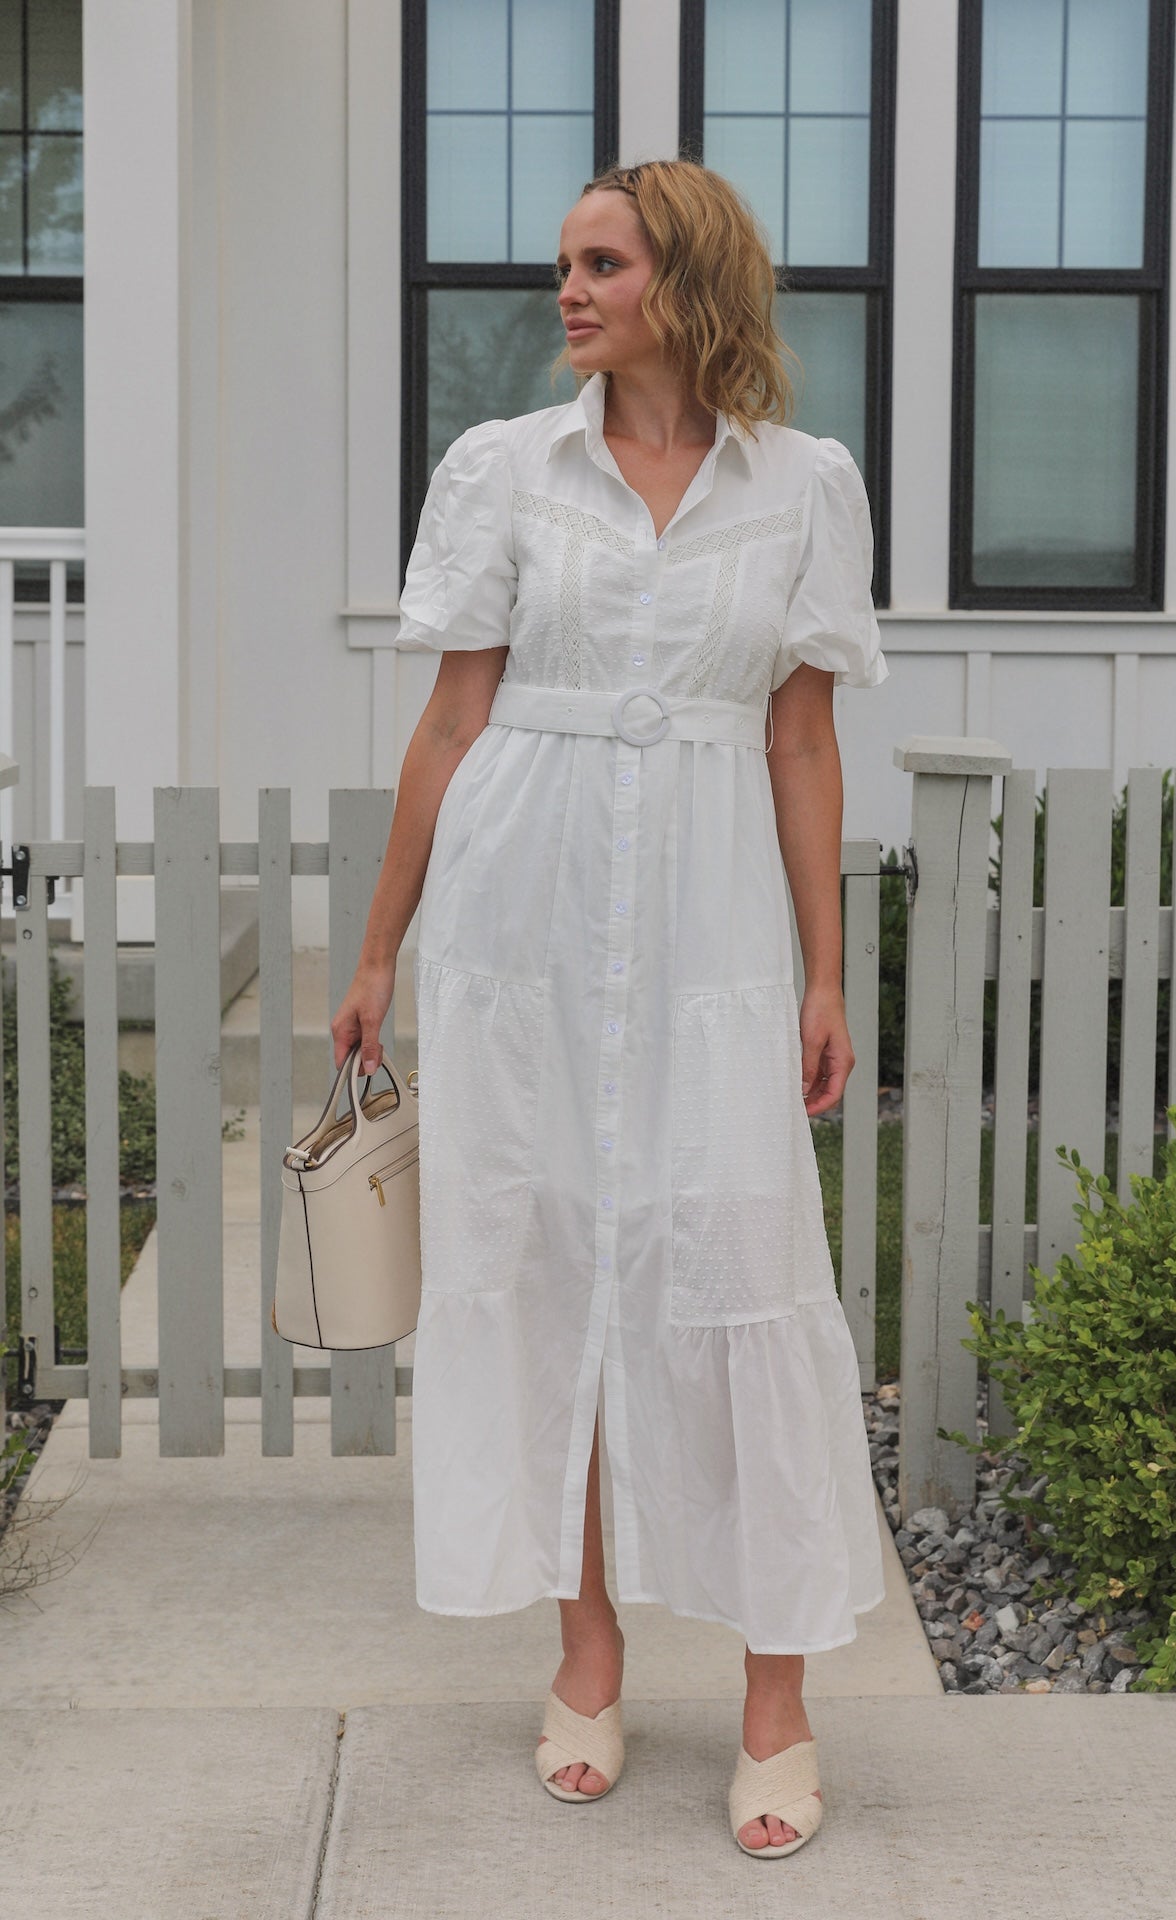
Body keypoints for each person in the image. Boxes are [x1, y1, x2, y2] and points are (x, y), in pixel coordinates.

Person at [331, 156, 889, 1859]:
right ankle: (587, 1652)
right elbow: (452, 721)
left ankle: (777, 1698)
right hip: (526, 917)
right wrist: (378, 950)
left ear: (688, 283)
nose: (567, 291)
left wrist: (824, 969)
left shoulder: (804, 487)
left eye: (603, 263)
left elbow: (802, 739)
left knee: (737, 1264)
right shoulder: (505, 468)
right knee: (555, 1264)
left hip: (715, 924)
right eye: (565, 264)